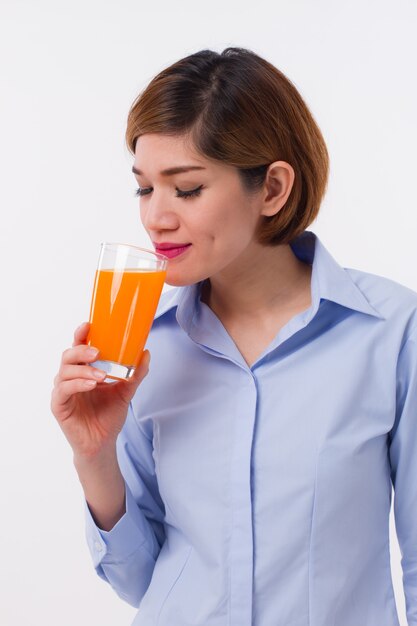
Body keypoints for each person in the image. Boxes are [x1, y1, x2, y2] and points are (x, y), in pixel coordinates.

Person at [51, 47, 417, 626]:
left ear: (272, 188)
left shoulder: (392, 332)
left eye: (187, 189)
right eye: (145, 189)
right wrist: (94, 456)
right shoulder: (144, 346)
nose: (155, 218)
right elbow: (141, 582)